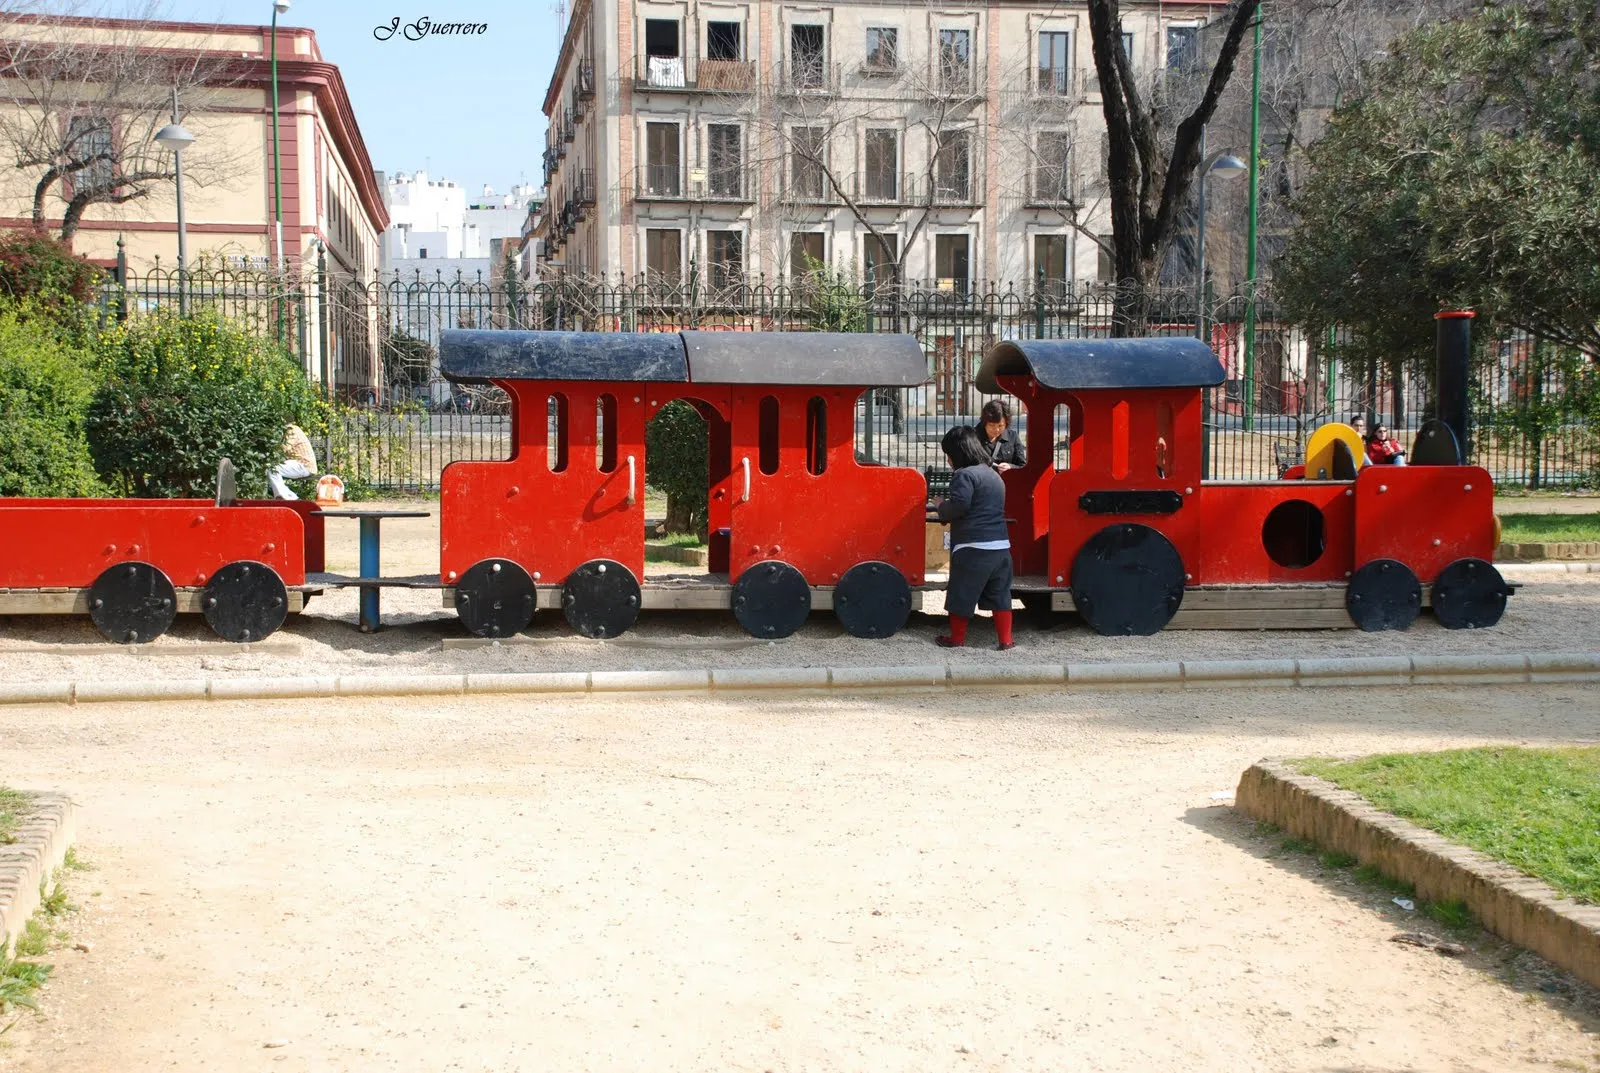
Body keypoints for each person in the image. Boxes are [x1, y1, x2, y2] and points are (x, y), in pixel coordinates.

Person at [933, 425, 1015, 651]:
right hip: (1001, 548)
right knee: (1000, 595)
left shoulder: (964, 475)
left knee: (961, 593)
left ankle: (956, 640)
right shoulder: (994, 475)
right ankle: (1006, 641)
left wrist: (941, 506)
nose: (948, 460)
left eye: (949, 455)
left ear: (958, 454)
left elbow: (960, 505)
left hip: (973, 548)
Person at [268, 423, 318, 500]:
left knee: (273, 469)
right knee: (272, 470)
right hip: (299, 464)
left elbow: (286, 448)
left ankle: (283, 497)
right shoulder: (291, 429)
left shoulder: (291, 430)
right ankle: (293, 498)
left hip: (304, 465)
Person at [978, 399, 1026, 472]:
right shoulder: (973, 437)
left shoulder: (1012, 436)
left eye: (1000, 426)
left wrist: (1010, 467)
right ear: (984, 422)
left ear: (1006, 423)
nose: (996, 429)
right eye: (991, 425)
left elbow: (1022, 465)